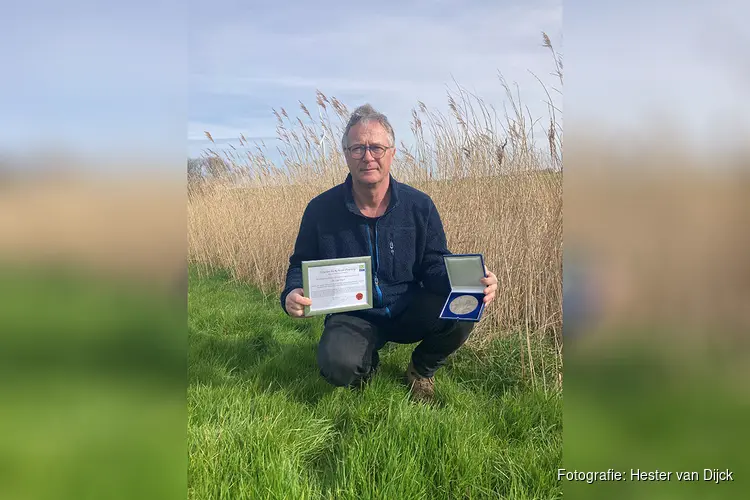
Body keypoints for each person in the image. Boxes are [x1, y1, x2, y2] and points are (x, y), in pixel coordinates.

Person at [280, 104, 498, 401]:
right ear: (346, 154)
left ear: (392, 153)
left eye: (376, 148)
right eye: (357, 148)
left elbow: (433, 264)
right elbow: (300, 265)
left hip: (408, 307)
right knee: (338, 366)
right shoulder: (320, 210)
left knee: (466, 304)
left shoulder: (419, 205)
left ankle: (421, 370)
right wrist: (292, 292)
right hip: (354, 315)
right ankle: (364, 365)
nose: (368, 156)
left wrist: (474, 281)